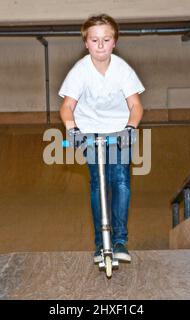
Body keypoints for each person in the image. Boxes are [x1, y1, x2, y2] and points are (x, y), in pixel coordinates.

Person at [58, 14, 145, 263]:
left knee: (120, 181)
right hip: (89, 132)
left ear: (114, 42)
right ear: (86, 42)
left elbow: (136, 106)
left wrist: (130, 128)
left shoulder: (122, 69)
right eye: (94, 40)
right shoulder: (80, 70)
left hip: (119, 131)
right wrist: (73, 129)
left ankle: (119, 241)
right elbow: (67, 107)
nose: (100, 45)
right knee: (98, 183)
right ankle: (100, 243)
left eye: (106, 40)